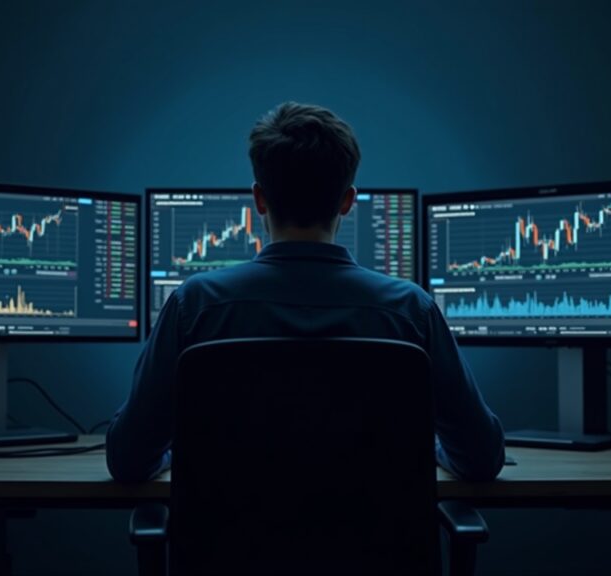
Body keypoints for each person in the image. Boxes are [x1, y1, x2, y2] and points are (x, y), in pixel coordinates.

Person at [106, 102, 505, 482]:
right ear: (348, 201)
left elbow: (127, 460)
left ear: (259, 199)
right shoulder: (410, 310)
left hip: (230, 553)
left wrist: (188, 454)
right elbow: (481, 459)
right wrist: (426, 449)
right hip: (372, 554)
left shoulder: (194, 305)